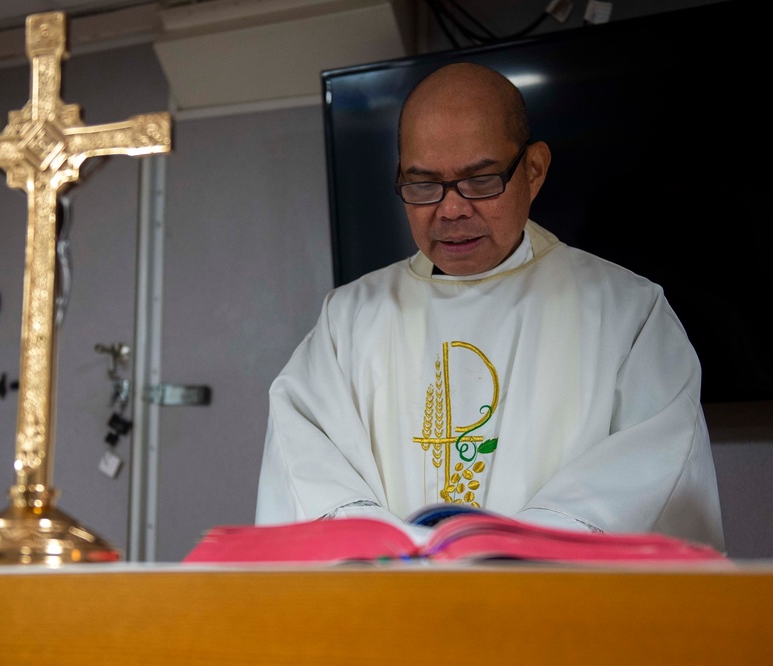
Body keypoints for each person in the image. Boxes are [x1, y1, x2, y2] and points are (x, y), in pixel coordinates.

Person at [254, 62, 725, 551]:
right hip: (389, 610)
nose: (451, 209)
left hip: (551, 612)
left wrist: (505, 557)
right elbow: (305, 464)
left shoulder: (629, 314)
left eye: (480, 180)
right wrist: (391, 553)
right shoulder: (346, 321)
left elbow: (652, 471)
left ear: (534, 171)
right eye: (423, 186)